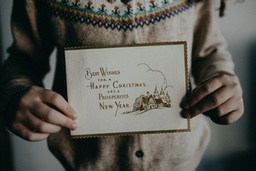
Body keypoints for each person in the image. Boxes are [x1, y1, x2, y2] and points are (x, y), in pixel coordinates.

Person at [0, 0, 244, 170]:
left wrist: (222, 79)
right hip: (86, 163)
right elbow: (23, 60)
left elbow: (209, 51)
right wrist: (14, 96)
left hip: (182, 163)